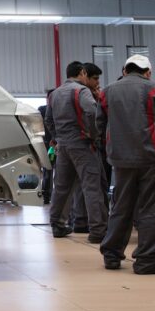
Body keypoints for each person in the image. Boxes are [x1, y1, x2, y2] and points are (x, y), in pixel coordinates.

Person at [98, 55, 155, 274]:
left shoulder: (107, 91)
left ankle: (112, 255)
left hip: (120, 159)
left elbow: (99, 124)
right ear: (148, 72)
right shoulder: (154, 89)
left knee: (121, 206)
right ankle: (146, 260)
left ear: (124, 70)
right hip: (152, 158)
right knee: (152, 208)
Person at [47, 61, 107, 243]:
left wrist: (58, 137)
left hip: (63, 146)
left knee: (62, 187)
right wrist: (94, 134)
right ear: (82, 72)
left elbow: (48, 120)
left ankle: (57, 224)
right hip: (82, 144)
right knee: (91, 186)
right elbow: (91, 112)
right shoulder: (81, 91)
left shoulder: (55, 94)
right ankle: (97, 230)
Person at [71, 63, 107, 232]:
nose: (97, 82)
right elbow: (93, 115)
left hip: (82, 144)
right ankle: (96, 225)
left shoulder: (94, 95)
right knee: (93, 185)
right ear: (84, 76)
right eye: (95, 78)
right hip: (89, 144)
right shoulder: (84, 94)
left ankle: (81, 220)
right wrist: (93, 135)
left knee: (82, 185)